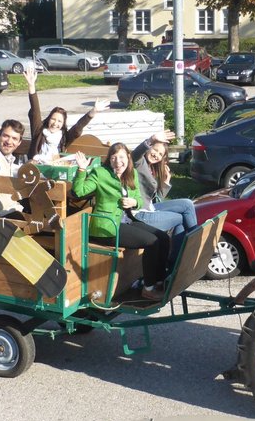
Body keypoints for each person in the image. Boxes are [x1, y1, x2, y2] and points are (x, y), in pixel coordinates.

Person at [73, 143, 171, 301]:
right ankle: (148, 288)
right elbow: (79, 191)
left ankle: (159, 280)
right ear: (109, 159)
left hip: (126, 220)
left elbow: (139, 199)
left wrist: (134, 202)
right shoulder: (100, 173)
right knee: (152, 242)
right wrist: (82, 169)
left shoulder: (131, 174)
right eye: (113, 158)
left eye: (121, 157)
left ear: (128, 158)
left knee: (163, 238)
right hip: (107, 227)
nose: (118, 162)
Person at [24, 65, 109, 162]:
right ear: (48, 119)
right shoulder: (38, 131)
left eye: (59, 121)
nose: (55, 123)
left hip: (55, 168)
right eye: (53, 119)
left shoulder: (64, 137)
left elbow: (78, 127)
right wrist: (31, 86)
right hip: (35, 167)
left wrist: (93, 112)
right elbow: (35, 111)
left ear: (63, 124)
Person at [131, 132, 199, 237]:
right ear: (149, 147)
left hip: (150, 208)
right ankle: (197, 240)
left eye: (160, 154)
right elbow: (135, 155)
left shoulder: (151, 169)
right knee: (181, 218)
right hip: (139, 214)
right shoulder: (139, 163)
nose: (156, 155)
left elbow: (157, 200)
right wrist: (152, 139)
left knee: (187, 204)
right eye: (155, 150)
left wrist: (165, 183)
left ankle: (189, 244)